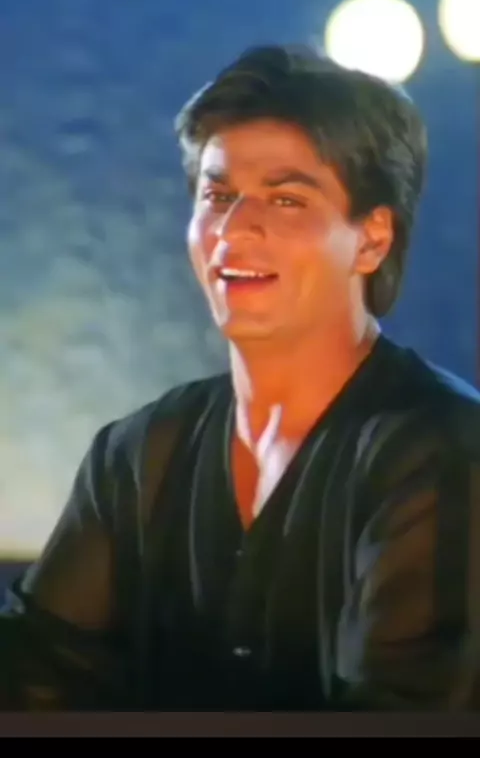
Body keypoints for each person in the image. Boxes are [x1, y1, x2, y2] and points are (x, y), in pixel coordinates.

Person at [1, 44, 480, 712]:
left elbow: (405, 714)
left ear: (372, 239)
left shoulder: (442, 452)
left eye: (285, 199)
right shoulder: (137, 456)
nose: (235, 229)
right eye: (218, 195)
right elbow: (35, 683)